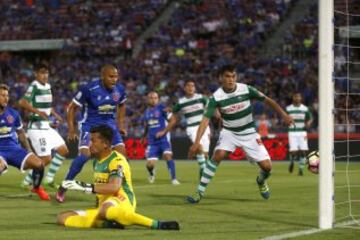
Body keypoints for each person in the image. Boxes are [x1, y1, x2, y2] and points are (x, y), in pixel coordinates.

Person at [186, 64, 294, 204]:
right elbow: (205, 120)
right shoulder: (216, 97)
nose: (231, 79)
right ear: (221, 78)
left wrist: (284, 115)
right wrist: (196, 143)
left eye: (233, 76)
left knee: (267, 167)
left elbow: (269, 101)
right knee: (217, 156)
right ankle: (199, 192)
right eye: (227, 76)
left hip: (249, 133)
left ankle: (261, 181)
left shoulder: (246, 89)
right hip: (229, 132)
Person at [57, 125, 180, 230]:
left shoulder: (117, 160)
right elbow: (101, 189)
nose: (89, 144)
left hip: (122, 200)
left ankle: (157, 224)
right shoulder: (97, 161)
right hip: (105, 206)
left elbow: (114, 187)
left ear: (105, 144)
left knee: (105, 210)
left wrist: (84, 186)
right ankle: (106, 224)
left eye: (93, 140)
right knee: (63, 217)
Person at [56, 64, 127, 203]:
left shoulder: (120, 89)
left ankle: (114, 192)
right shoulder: (89, 89)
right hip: (90, 126)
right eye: (111, 76)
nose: (114, 79)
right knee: (85, 156)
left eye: (116, 76)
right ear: (103, 76)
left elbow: (122, 104)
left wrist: (121, 124)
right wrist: (71, 129)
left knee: (121, 155)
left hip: (109, 126)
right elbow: (72, 108)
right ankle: (64, 186)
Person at [18, 63, 69, 189]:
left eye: (46, 73)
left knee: (63, 150)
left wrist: (55, 114)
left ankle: (49, 179)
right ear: (36, 74)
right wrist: (37, 112)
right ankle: (26, 181)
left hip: (46, 126)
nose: (44, 75)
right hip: (36, 127)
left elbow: (47, 105)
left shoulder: (48, 86)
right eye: (41, 73)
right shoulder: (34, 86)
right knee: (46, 159)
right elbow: (22, 102)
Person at [0, 83, 50, 200]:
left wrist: (28, 150)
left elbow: (21, 133)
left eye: (7, 95)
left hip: (14, 149)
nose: (6, 98)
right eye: (2, 95)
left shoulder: (13, 114)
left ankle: (36, 187)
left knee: (39, 164)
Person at [158, 80, 210, 175]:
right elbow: (173, 110)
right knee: (198, 146)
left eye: (192, 86)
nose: (191, 88)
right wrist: (167, 110)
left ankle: (203, 167)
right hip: (192, 128)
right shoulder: (181, 102)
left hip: (204, 126)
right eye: (188, 86)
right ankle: (204, 170)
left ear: (194, 88)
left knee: (205, 154)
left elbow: (211, 106)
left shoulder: (201, 98)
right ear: (185, 88)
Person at [142, 91, 180, 185]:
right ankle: (151, 172)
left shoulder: (162, 108)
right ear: (147, 99)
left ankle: (174, 179)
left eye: (155, 98)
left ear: (158, 99)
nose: (153, 100)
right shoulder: (146, 112)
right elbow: (147, 125)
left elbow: (173, 121)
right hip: (152, 142)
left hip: (163, 139)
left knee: (168, 156)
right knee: (149, 165)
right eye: (151, 98)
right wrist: (144, 136)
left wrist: (163, 132)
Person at [286, 92, 313, 175]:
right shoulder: (288, 108)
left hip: (302, 131)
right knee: (293, 151)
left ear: (301, 98)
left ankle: (301, 169)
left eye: (298, 96)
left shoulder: (305, 108)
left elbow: (310, 118)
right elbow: (285, 118)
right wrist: (287, 120)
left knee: (303, 151)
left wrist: (308, 122)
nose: (297, 98)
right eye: (295, 96)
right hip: (292, 131)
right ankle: (292, 162)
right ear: (293, 98)